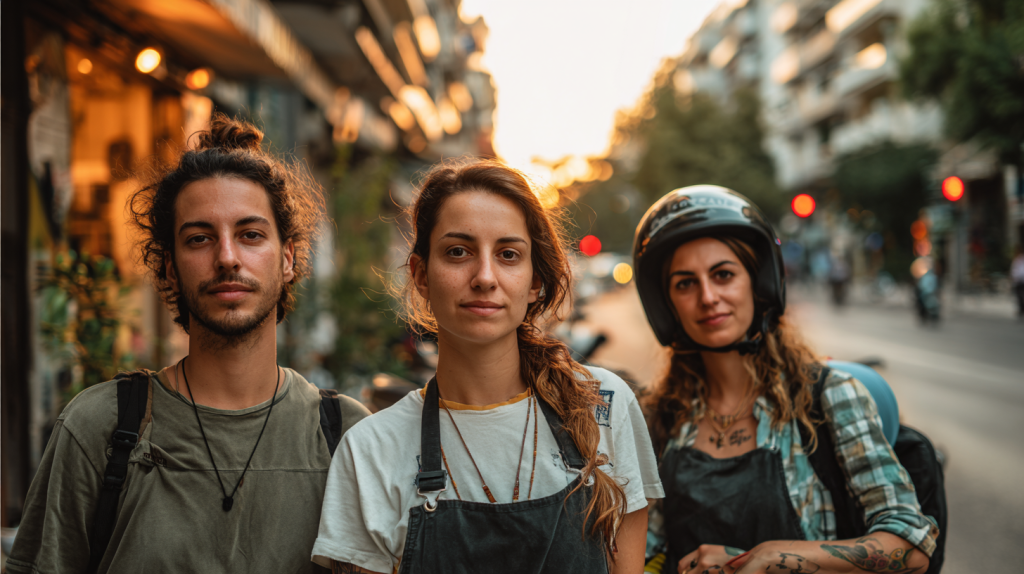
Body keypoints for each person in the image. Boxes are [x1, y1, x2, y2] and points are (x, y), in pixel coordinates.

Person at [7, 114, 370, 573]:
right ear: (170, 269)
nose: (226, 257)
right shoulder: (100, 428)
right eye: (199, 238)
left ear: (288, 259)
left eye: (250, 235)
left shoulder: (345, 436)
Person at [312, 161, 664, 573]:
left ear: (535, 281)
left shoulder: (601, 404)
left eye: (508, 255)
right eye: (458, 252)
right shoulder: (370, 451)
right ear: (421, 275)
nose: (484, 277)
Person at [633, 186, 939, 574]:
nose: (708, 296)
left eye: (723, 275)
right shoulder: (660, 419)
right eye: (685, 283)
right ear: (667, 305)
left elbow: (910, 547)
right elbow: (644, 547)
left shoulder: (827, 397)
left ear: (758, 284)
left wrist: (770, 558)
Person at [1011, 244, 1024, 319]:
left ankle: (1021, 310)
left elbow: (1020, 271)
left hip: (1020, 280)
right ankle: (1021, 309)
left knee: (1020, 296)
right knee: (1019, 296)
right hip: (1018, 280)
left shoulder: (1020, 259)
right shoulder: (1017, 259)